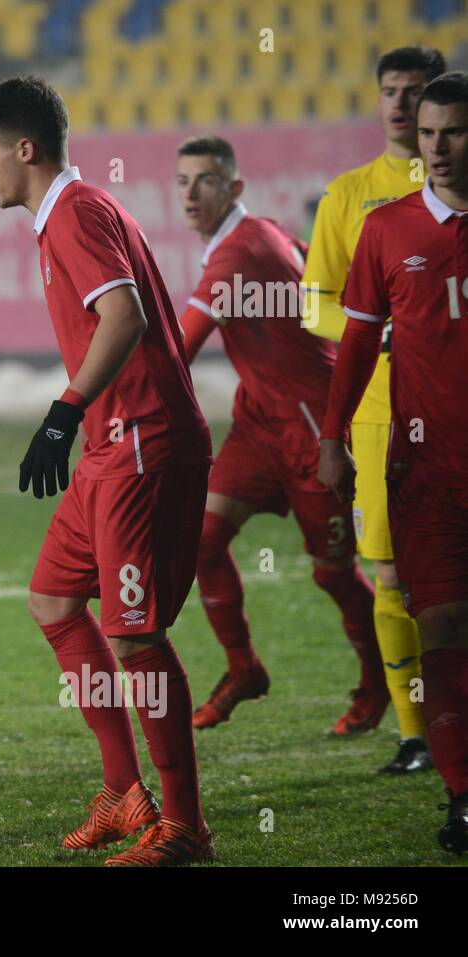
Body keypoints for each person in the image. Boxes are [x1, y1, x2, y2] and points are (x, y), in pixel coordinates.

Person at [0, 76, 213, 865]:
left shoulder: (74, 213)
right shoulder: (66, 216)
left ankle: (183, 829)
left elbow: (125, 316)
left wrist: (63, 410)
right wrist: (79, 418)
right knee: (53, 597)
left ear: (23, 149)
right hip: (111, 445)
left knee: (137, 638)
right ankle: (121, 791)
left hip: (142, 444)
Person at [173, 136, 387, 736]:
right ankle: (244, 669)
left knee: (333, 574)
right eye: (182, 181)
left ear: (235, 188)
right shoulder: (260, 236)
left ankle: (379, 685)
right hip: (259, 425)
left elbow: (177, 352)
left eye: (205, 180)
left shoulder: (239, 253)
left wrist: (99, 397)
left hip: (313, 431)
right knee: (202, 541)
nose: (190, 192)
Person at [318, 70, 468, 855]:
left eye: (455, 132)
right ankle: (460, 792)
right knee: (438, 622)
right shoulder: (386, 229)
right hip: (425, 471)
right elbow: (353, 343)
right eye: (432, 132)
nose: (438, 147)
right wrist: (333, 437)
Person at [303, 46, 445, 768]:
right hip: (379, 414)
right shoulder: (349, 196)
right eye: (388, 90)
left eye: (412, 92)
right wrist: (375, 325)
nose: (397, 103)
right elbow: (315, 304)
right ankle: (416, 732)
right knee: (390, 573)